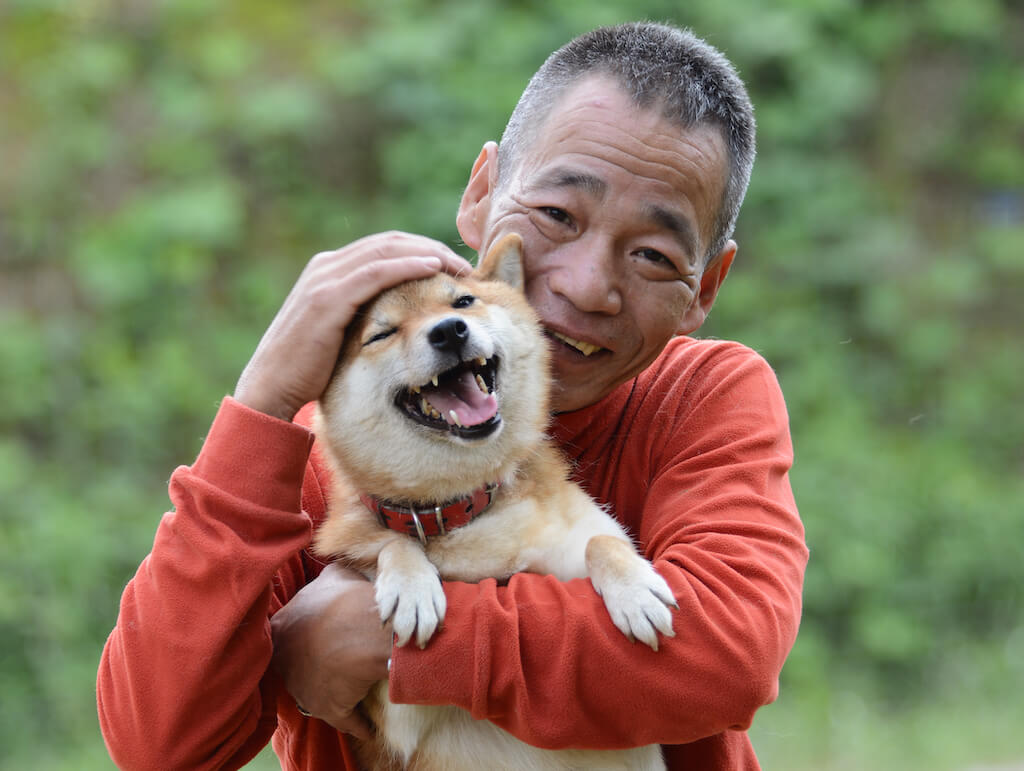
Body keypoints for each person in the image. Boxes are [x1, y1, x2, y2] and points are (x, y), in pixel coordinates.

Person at [97, 21, 807, 771]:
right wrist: (264, 401)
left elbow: (724, 652)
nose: (586, 284)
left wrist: (389, 638)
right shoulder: (332, 456)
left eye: (653, 255)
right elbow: (160, 743)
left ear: (706, 287)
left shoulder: (704, 398)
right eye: (558, 215)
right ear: (480, 193)